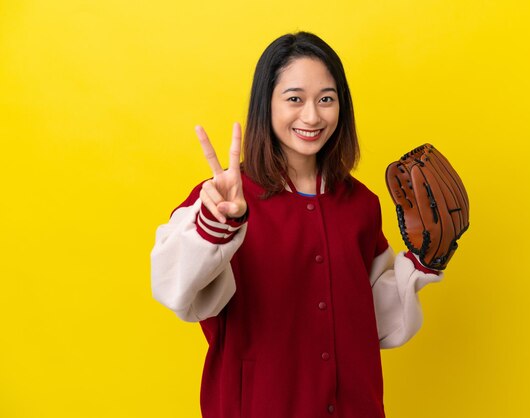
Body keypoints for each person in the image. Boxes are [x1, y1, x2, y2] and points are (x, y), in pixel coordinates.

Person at [151, 31, 443, 418]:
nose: (312, 116)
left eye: (326, 99)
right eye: (294, 99)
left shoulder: (361, 204)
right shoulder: (224, 198)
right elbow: (173, 288)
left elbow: (373, 321)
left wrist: (422, 263)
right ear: (265, 105)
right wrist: (216, 225)